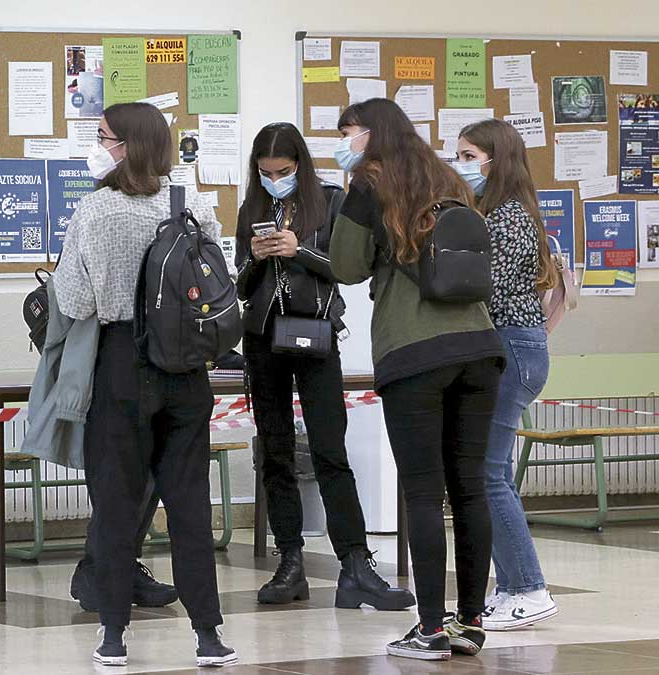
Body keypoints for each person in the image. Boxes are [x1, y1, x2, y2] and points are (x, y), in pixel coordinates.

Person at [52, 102, 236, 668]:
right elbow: (214, 278)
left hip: (121, 367)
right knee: (189, 507)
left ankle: (112, 635)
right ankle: (208, 636)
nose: (96, 145)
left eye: (103, 136)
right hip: (185, 370)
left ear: (127, 144)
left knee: (116, 505)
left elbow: (75, 301)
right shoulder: (189, 203)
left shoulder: (94, 210)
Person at [330, 98, 505, 661]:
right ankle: (471, 622)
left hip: (415, 350)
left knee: (424, 491)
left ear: (371, 136)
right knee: (470, 485)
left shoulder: (367, 183)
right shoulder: (451, 177)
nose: (345, 142)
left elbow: (346, 266)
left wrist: (349, 200)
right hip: (479, 346)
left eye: (349, 133)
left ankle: (429, 629)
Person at [234, 122, 415, 611]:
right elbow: (241, 284)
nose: (275, 179)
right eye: (266, 172)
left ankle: (355, 562)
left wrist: (300, 250)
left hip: (315, 336)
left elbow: (345, 268)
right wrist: (254, 258)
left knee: (330, 449)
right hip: (262, 340)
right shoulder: (252, 207)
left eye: (284, 171)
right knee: (275, 453)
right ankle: (289, 561)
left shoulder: (330, 201)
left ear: (301, 166)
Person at [456, 119, 560, 631]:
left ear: (496, 160)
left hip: (513, 349)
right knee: (487, 473)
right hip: (509, 348)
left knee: (487, 475)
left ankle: (527, 587)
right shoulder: (494, 215)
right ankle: (512, 583)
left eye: (470, 155)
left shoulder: (509, 219)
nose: (461, 165)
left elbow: (484, 291)